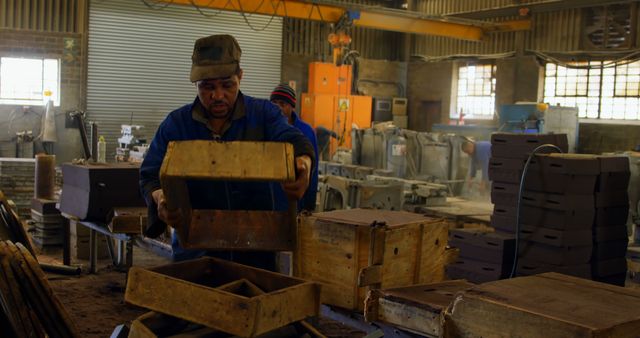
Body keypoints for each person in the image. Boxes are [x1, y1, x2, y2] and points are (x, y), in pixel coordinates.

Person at [139, 34, 315, 269]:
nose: (218, 96)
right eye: (207, 87)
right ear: (196, 85)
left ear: (240, 77)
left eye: (227, 85)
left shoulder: (263, 115)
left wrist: (304, 163)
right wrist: (161, 198)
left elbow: (293, 139)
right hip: (194, 253)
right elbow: (150, 174)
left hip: (256, 252)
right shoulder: (177, 124)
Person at [270, 83, 318, 212]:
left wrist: (309, 205)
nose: (277, 107)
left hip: (296, 198)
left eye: (282, 103)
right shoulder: (267, 129)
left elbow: (313, 170)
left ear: (292, 107)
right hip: (271, 201)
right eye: (274, 103)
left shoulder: (306, 132)